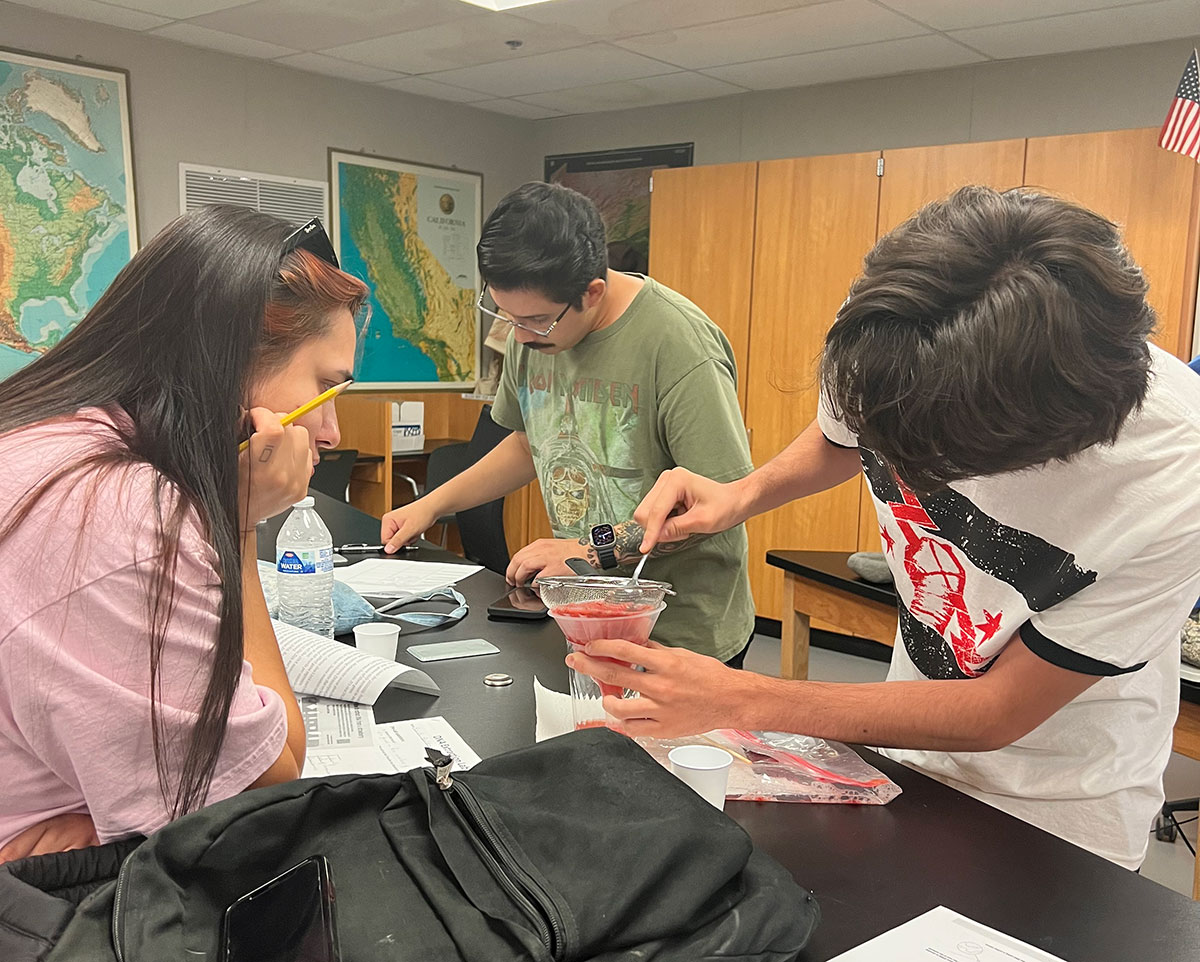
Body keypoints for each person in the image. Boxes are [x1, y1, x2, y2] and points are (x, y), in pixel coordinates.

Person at [568, 186, 1200, 870]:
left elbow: (1000, 710)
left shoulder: (1174, 477)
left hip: (1056, 813)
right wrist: (739, 495)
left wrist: (746, 699)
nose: (890, 467)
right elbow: (845, 435)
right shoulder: (896, 325)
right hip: (902, 761)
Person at [0, 207, 366, 861]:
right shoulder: (119, 517)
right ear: (229, 364)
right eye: (324, 388)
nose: (333, 433)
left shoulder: (57, 433)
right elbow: (264, 786)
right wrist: (240, 519)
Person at [380, 182, 756, 665]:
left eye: (535, 320)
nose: (518, 334)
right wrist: (430, 506)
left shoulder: (680, 346)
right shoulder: (530, 327)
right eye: (504, 314)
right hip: (581, 616)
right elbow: (525, 443)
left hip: (681, 633)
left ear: (592, 293)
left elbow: (723, 502)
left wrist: (587, 553)